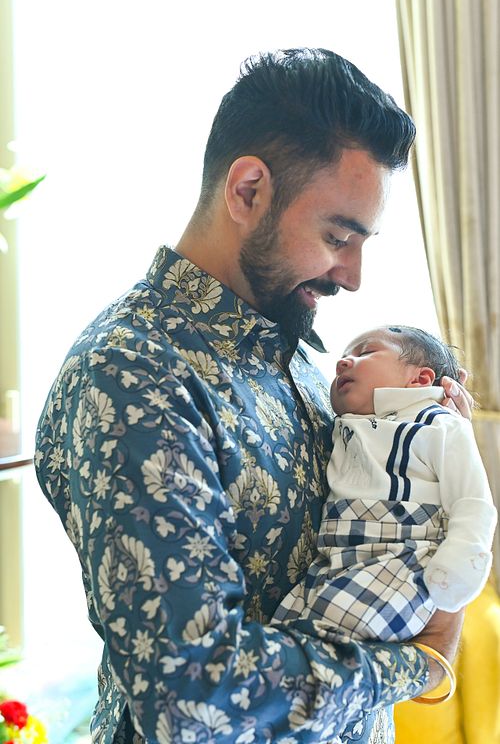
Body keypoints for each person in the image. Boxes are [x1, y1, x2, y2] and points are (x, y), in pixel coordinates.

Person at [34, 49, 470, 744]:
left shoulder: (300, 353)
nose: (352, 276)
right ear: (247, 191)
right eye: (338, 237)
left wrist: (434, 451)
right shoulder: (132, 375)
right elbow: (195, 694)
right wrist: (417, 665)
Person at [272, 325, 497, 645]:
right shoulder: (344, 426)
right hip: (334, 558)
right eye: (343, 357)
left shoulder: (438, 423)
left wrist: (460, 561)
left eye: (365, 352)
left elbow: (472, 500)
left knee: (328, 634)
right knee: (286, 626)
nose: (342, 363)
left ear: (420, 379)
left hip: (402, 557)